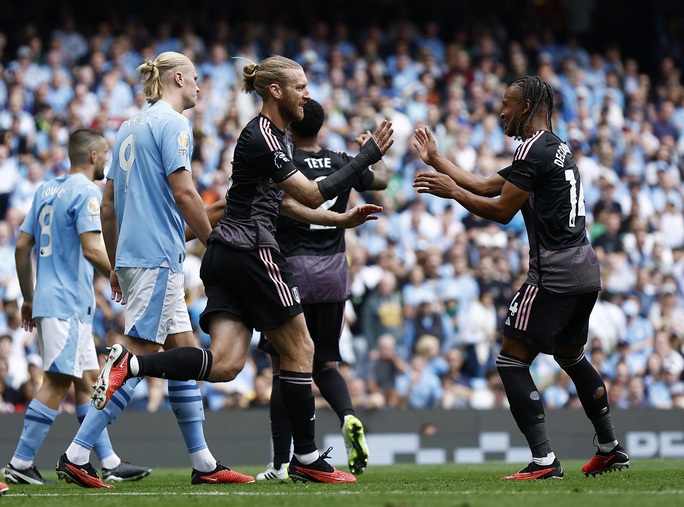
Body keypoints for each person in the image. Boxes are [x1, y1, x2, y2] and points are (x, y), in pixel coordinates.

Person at [93, 55, 393, 484]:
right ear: (277, 91)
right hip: (252, 250)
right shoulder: (264, 135)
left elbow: (286, 203)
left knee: (227, 364)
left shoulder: (275, 137)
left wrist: (340, 220)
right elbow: (308, 195)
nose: (308, 95)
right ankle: (306, 458)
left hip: (227, 255)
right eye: (302, 87)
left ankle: (132, 364)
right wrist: (368, 154)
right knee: (301, 349)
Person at [412, 75, 629, 480]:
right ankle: (609, 447)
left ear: (526, 106)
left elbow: (500, 209)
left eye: (507, 104)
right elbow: (489, 183)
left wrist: (451, 192)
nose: (501, 111)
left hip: (555, 271)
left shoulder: (531, 148)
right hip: (585, 267)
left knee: (511, 358)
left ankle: (544, 461)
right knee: (570, 355)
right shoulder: (555, 147)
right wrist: (437, 161)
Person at [56, 52, 254, 488]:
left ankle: (203, 464)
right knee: (136, 356)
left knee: (183, 355)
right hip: (158, 256)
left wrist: (113, 264)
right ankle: (77, 453)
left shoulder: (127, 127)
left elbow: (108, 207)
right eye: (197, 79)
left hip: (134, 256)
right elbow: (184, 193)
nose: (201, 87)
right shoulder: (173, 124)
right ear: (178, 77)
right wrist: (214, 243)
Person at [4, 129, 151, 486]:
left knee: (87, 382)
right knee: (56, 381)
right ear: (94, 156)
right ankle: (20, 462)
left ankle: (109, 461)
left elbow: (22, 247)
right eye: (106, 155)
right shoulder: (86, 191)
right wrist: (118, 277)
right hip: (67, 304)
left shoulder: (45, 190)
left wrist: (28, 295)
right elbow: (90, 248)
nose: (107, 162)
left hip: (57, 302)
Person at [254, 98, 389, 481]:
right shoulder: (343, 160)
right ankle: (347, 416)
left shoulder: (282, 160)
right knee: (325, 362)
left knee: (283, 368)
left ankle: (280, 463)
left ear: (291, 124)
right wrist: (371, 154)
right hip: (333, 273)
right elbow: (380, 180)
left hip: (291, 272)